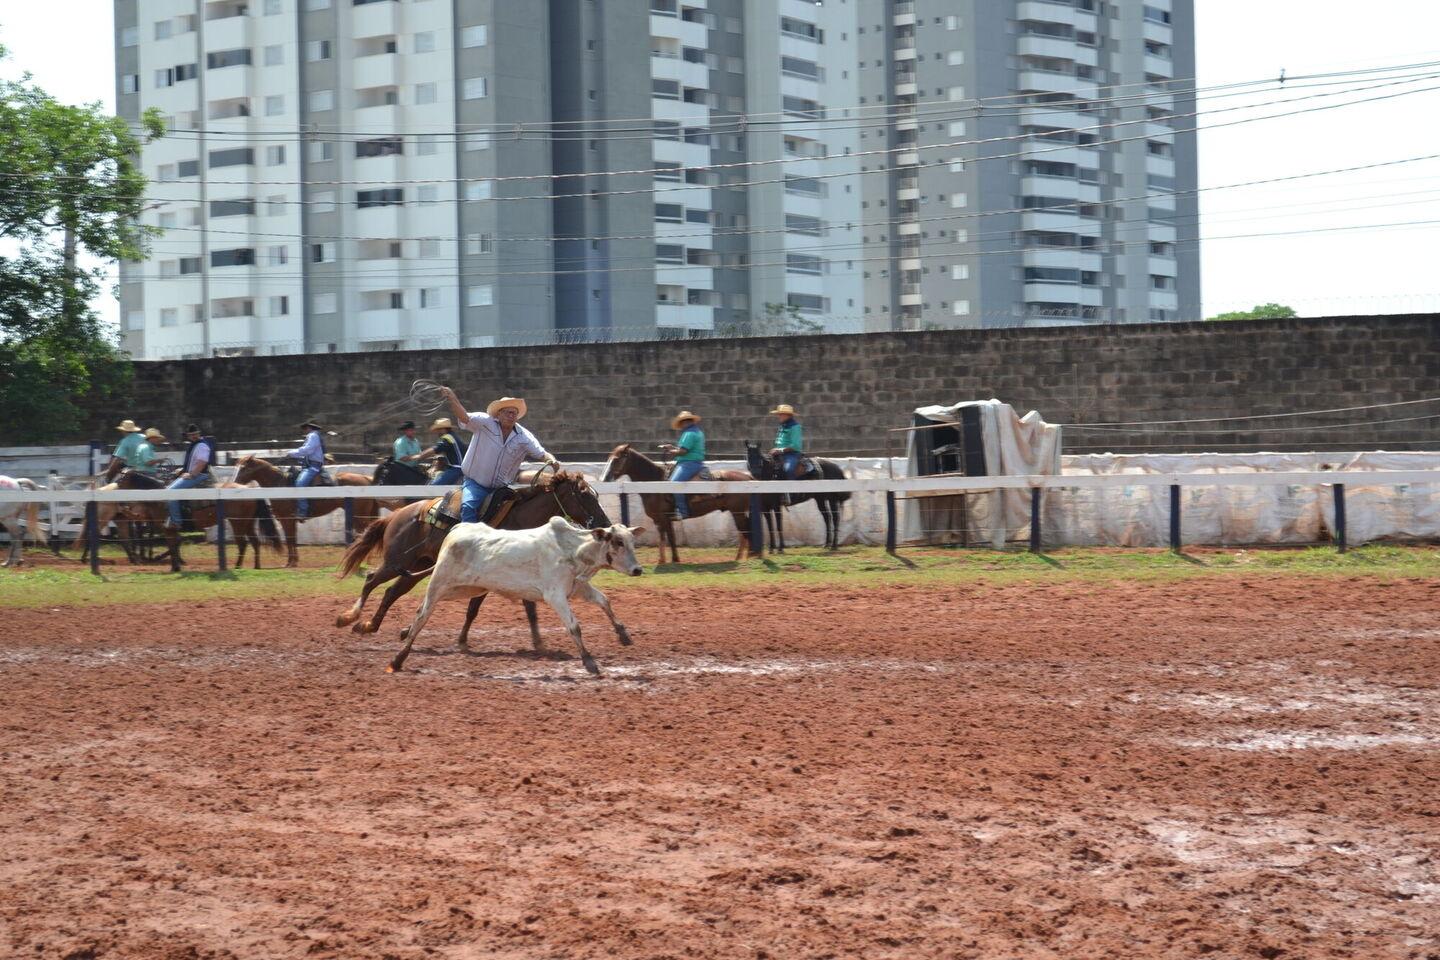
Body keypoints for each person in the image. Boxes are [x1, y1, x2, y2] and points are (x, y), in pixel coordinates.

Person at [437, 387, 561, 523]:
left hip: (501, 488)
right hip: (475, 484)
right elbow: (464, 417)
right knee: (468, 507)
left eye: (514, 413)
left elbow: (541, 453)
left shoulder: (524, 437)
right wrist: (452, 398)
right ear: (499, 414)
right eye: (508, 412)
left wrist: (552, 460)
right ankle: (468, 536)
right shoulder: (484, 422)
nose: (511, 416)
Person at [164, 424, 214, 529]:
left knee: (170, 492)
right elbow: (194, 462)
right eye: (191, 435)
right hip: (194, 473)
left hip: (198, 475)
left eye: (195, 434)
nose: (193, 436)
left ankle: (176, 522)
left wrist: (192, 474)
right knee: (168, 488)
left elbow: (202, 462)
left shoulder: (201, 446)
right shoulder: (195, 445)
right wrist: (183, 470)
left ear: (199, 434)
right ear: (188, 436)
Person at [660, 411, 706, 520]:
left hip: (689, 464)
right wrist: (672, 447)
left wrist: (671, 451)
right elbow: (685, 449)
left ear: (685, 422)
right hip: (695, 463)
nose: (680, 426)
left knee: (674, 484)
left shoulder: (689, 434)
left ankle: (682, 512)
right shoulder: (697, 432)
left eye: (681, 423)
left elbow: (683, 451)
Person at [286, 419, 327, 520]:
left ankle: (303, 511)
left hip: (312, 466)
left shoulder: (313, 435)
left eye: (305, 428)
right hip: (309, 465)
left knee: (300, 484)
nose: (304, 430)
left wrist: (291, 453)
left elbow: (308, 450)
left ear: (309, 428)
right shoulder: (314, 436)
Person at [426, 418, 467, 486]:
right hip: (460, 468)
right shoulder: (453, 436)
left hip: (456, 469)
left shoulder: (447, 438)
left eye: (438, 430)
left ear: (443, 429)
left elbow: (436, 449)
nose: (437, 432)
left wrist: (419, 456)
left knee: (433, 488)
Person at [769, 403, 806, 479]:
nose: (778, 416)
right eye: (778, 414)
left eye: (780, 414)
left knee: (788, 469)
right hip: (779, 454)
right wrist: (776, 449)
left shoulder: (795, 427)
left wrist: (780, 450)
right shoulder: (782, 426)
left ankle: (792, 486)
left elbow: (796, 446)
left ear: (788, 415)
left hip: (791, 454)